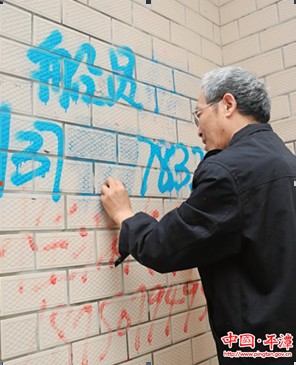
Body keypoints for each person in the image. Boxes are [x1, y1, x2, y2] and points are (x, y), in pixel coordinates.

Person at [101, 67, 296, 364]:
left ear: (227, 105)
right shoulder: (287, 162)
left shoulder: (229, 172)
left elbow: (164, 247)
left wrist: (125, 214)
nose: (198, 128)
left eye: (199, 113)